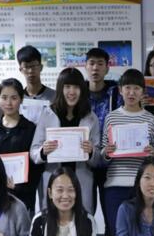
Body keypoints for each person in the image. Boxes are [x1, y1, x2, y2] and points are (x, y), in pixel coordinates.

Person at [100, 69, 154, 236]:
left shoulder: (150, 120)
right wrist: (107, 152)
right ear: (120, 90)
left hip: (142, 187)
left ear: (143, 92)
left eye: (136, 88)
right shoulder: (111, 118)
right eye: (127, 88)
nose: (131, 93)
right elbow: (102, 155)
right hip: (115, 185)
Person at [31, 67, 101, 215]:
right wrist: (43, 152)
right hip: (53, 181)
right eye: (67, 87)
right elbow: (34, 152)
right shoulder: (48, 114)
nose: (72, 92)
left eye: (76, 87)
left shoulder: (91, 117)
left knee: (83, 222)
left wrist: (91, 152)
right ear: (60, 89)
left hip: (81, 181)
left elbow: (98, 159)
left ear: (82, 90)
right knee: (52, 222)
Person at [0, 79, 40, 215]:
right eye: (4, 98)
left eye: (14, 98)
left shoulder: (31, 129)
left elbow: (36, 166)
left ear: (21, 99)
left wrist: (19, 187)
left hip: (24, 195)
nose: (8, 103)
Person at [85, 47, 120, 214]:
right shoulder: (78, 95)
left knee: (111, 213)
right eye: (91, 63)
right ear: (85, 66)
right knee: (85, 211)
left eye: (100, 64)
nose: (95, 68)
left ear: (107, 68)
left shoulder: (117, 94)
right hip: (86, 161)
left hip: (110, 161)